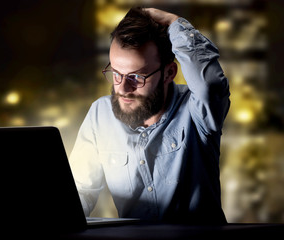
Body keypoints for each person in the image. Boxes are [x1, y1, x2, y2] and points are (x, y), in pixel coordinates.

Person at [69, 7, 230, 224]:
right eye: (116, 73)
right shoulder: (100, 114)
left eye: (137, 76)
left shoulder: (197, 112)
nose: (123, 88)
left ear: (169, 73)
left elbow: (209, 85)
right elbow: (80, 189)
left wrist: (175, 22)